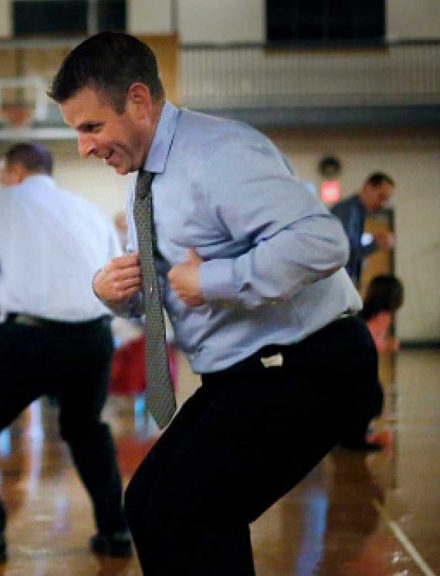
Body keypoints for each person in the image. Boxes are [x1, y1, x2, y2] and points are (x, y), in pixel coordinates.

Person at [52, 32, 379, 575]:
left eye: (91, 127)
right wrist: (117, 296)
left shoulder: (219, 153)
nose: (84, 147)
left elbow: (322, 243)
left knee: (191, 511)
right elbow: (169, 292)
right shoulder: (150, 181)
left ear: (138, 101)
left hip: (309, 362)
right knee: (149, 504)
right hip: (246, 372)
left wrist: (215, 280)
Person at [0, 142, 129, 563]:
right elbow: (116, 279)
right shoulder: (89, 210)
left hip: (29, 337)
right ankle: (116, 531)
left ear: (13, 171)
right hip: (92, 335)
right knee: (86, 429)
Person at [340, 274, 405, 451]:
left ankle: (354, 432)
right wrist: (388, 344)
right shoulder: (382, 316)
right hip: (354, 367)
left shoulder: (367, 311)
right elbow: (368, 340)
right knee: (370, 398)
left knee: (366, 398)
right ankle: (355, 437)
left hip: (351, 364)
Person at [331, 172, 395, 286]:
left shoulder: (358, 213)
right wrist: (375, 244)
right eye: (381, 196)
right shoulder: (348, 211)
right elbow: (344, 253)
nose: (382, 203)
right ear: (367, 187)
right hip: (335, 282)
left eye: (386, 199)